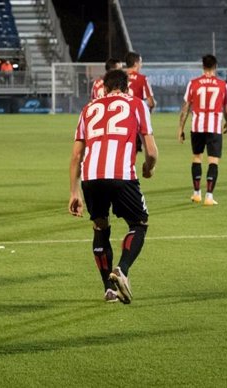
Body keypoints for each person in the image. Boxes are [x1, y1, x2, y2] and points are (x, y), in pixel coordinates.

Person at [68, 69, 158, 305]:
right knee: (139, 223)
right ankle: (122, 269)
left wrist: (74, 192)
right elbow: (151, 151)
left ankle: (109, 290)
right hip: (121, 175)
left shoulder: (88, 108)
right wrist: (149, 167)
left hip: (90, 176)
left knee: (100, 227)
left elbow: (77, 155)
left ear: (104, 88)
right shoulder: (137, 104)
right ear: (127, 87)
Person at [176, 54, 227, 206]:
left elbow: (185, 107)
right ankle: (209, 196)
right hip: (214, 127)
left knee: (197, 158)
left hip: (197, 126)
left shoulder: (193, 83)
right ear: (215, 67)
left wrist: (180, 128)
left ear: (202, 66)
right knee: (213, 161)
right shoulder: (222, 84)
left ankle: (196, 194)